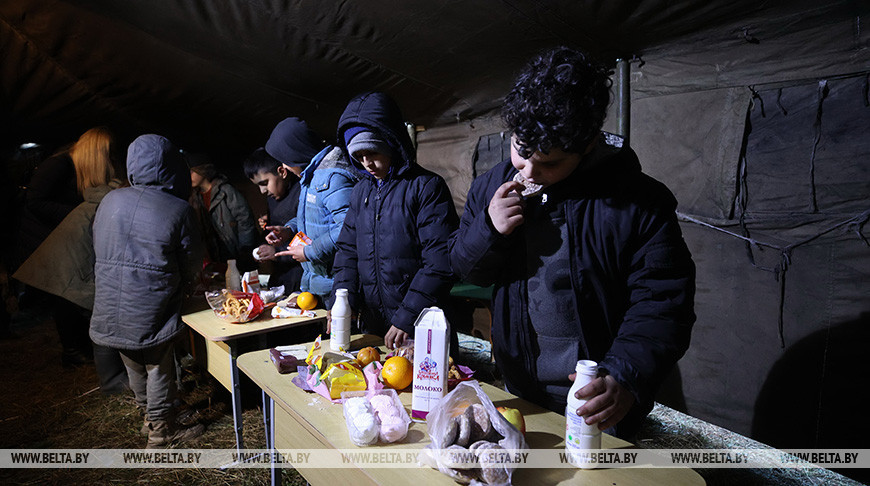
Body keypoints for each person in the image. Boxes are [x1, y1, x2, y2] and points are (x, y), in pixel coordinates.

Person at [448, 46, 696, 439]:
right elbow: (463, 268)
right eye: (522, 152)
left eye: (550, 163)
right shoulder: (491, 185)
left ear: (588, 145)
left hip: (595, 399)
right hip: (517, 386)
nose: (529, 171)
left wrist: (625, 375)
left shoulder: (638, 201)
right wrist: (488, 230)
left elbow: (663, 301)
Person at [90, 134, 205, 448]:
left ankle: (150, 418)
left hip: (109, 304)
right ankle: (161, 432)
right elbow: (192, 261)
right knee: (159, 367)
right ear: (172, 167)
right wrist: (187, 285)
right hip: (151, 304)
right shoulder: (177, 209)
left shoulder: (110, 200)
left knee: (134, 364)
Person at [332, 92, 459, 350]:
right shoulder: (361, 192)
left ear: (391, 142)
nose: (367, 163)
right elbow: (347, 251)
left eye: (373, 152)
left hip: (420, 327)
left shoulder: (426, 187)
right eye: (358, 156)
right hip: (374, 327)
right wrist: (343, 300)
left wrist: (407, 318)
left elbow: (439, 262)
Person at [14, 127, 120, 367]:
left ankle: (79, 346)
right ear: (96, 151)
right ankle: (72, 350)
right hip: (46, 237)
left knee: (71, 294)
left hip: (63, 234)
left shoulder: (73, 165)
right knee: (66, 294)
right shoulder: (59, 164)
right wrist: (78, 214)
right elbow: (35, 201)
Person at [261, 117, 359, 306]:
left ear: (293, 154)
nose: (286, 168)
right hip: (321, 283)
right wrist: (289, 230)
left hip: (338, 286)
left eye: (285, 161)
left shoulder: (332, 177)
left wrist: (310, 251)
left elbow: (349, 227)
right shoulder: (312, 176)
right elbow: (316, 219)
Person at [242, 147, 303, 291]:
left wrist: (276, 253)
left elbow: (309, 238)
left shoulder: (302, 192)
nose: (262, 191)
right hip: (280, 276)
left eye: (264, 183)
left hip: (301, 279)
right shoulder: (273, 198)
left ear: (282, 172)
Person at [188, 154, 259, 274]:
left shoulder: (225, 190)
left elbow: (245, 220)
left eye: (192, 172)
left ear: (202, 171)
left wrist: (245, 251)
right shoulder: (197, 197)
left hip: (237, 253)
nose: (189, 176)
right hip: (220, 256)